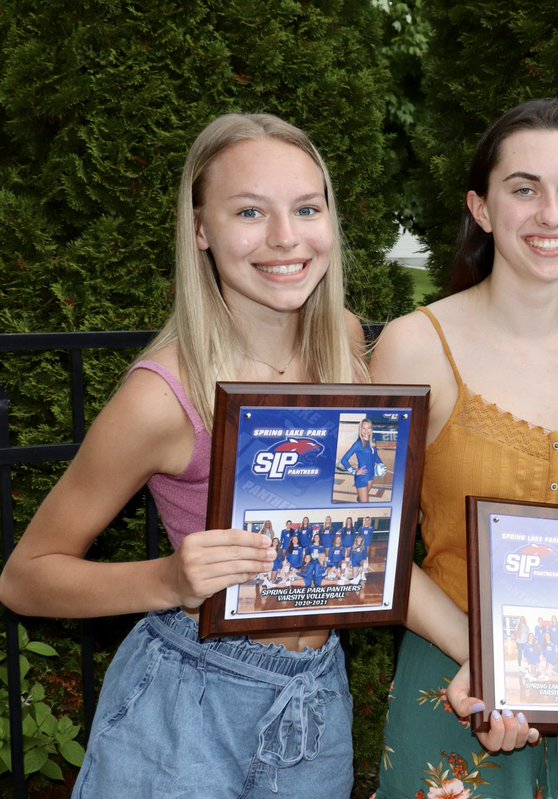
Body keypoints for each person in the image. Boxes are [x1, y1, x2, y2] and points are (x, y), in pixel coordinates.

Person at [0, 113, 366, 797]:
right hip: (188, 704)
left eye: (306, 207)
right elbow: (25, 577)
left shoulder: (344, 346)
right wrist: (168, 579)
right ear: (201, 230)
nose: (286, 237)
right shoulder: (164, 395)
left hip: (317, 698)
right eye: (250, 211)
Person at [369, 98, 558, 798]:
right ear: (480, 208)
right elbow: (371, 540)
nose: (549, 213)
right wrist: (487, 658)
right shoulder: (415, 345)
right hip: (459, 680)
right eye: (523, 189)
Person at [340, 418, 380, 502]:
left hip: (371, 476)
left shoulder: (372, 442)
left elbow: (375, 456)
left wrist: (381, 464)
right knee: (365, 503)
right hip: (362, 478)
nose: (366, 430)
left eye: (368, 428)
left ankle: (359, 499)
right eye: (363, 428)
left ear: (371, 429)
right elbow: (344, 460)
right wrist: (354, 471)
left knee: (362, 499)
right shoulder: (358, 444)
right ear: (360, 429)